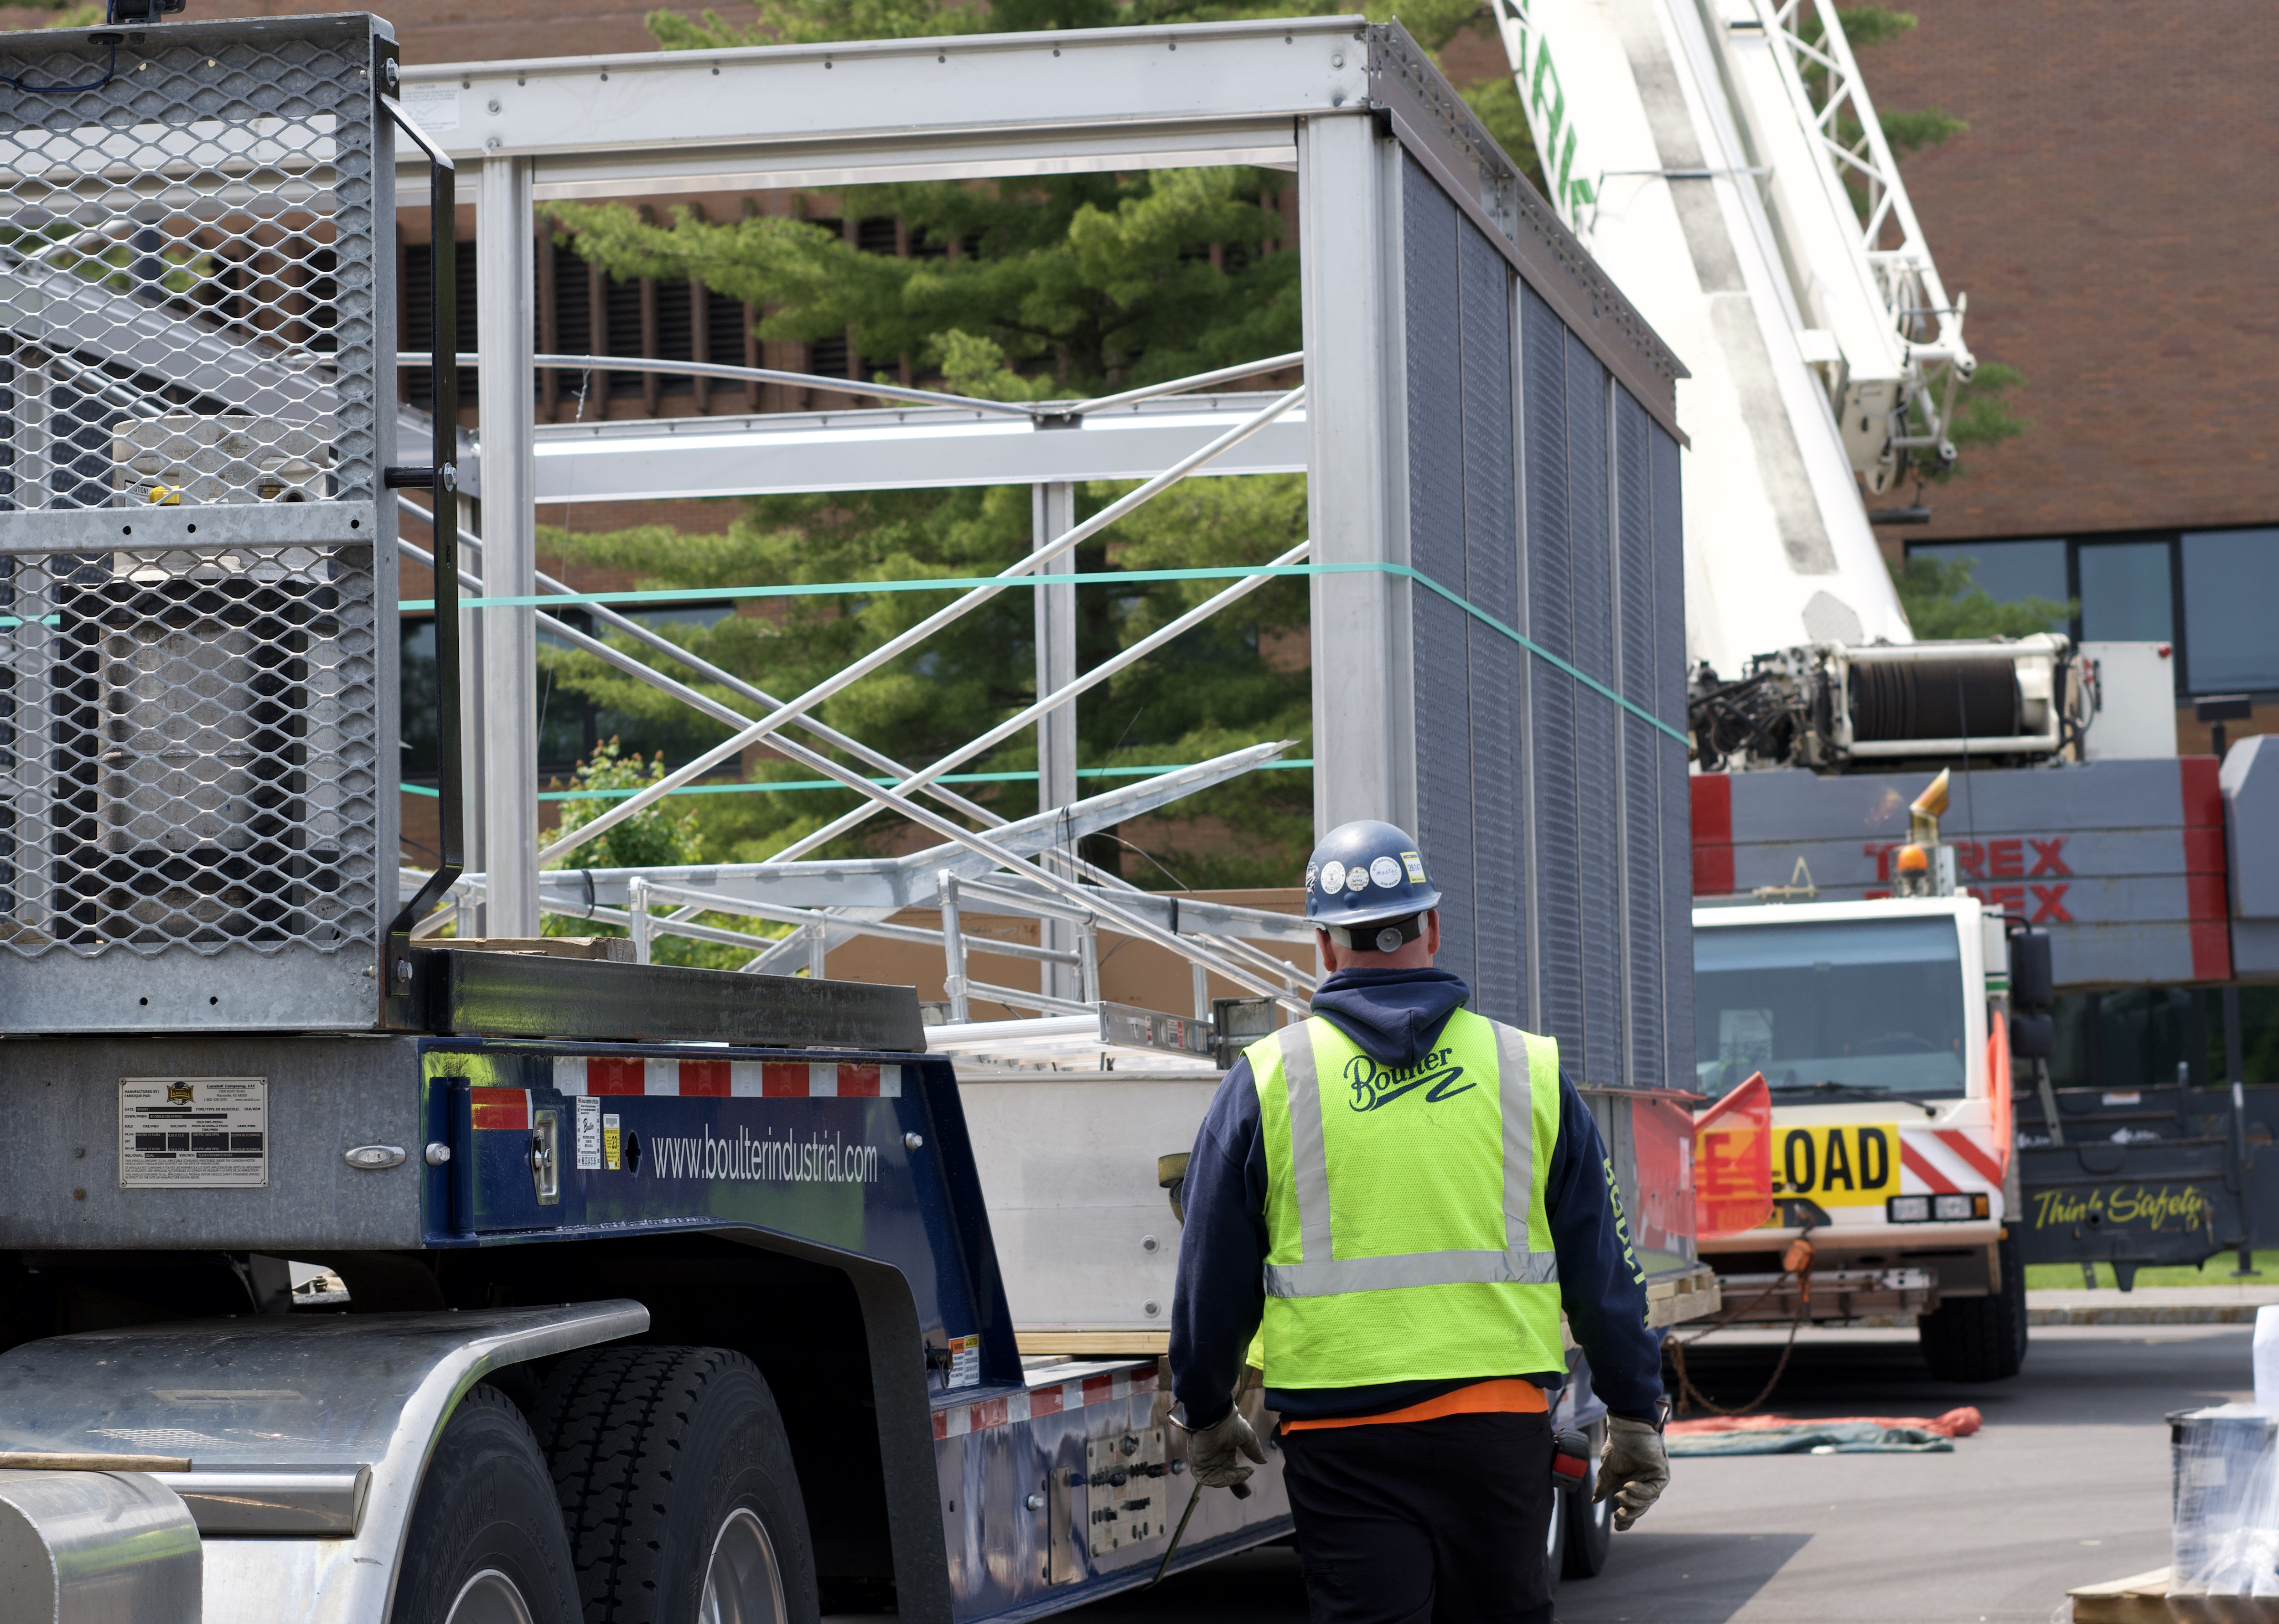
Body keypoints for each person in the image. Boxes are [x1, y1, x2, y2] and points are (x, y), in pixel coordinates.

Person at [1167, 819, 1671, 1624]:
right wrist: (1635, 1411)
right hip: (1498, 1423)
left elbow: (1210, 1273)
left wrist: (1204, 1407)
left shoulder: (1268, 1078)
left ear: (1326, 946)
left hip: (1341, 1434)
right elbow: (1603, 1270)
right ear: (1432, 927)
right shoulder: (1528, 1069)